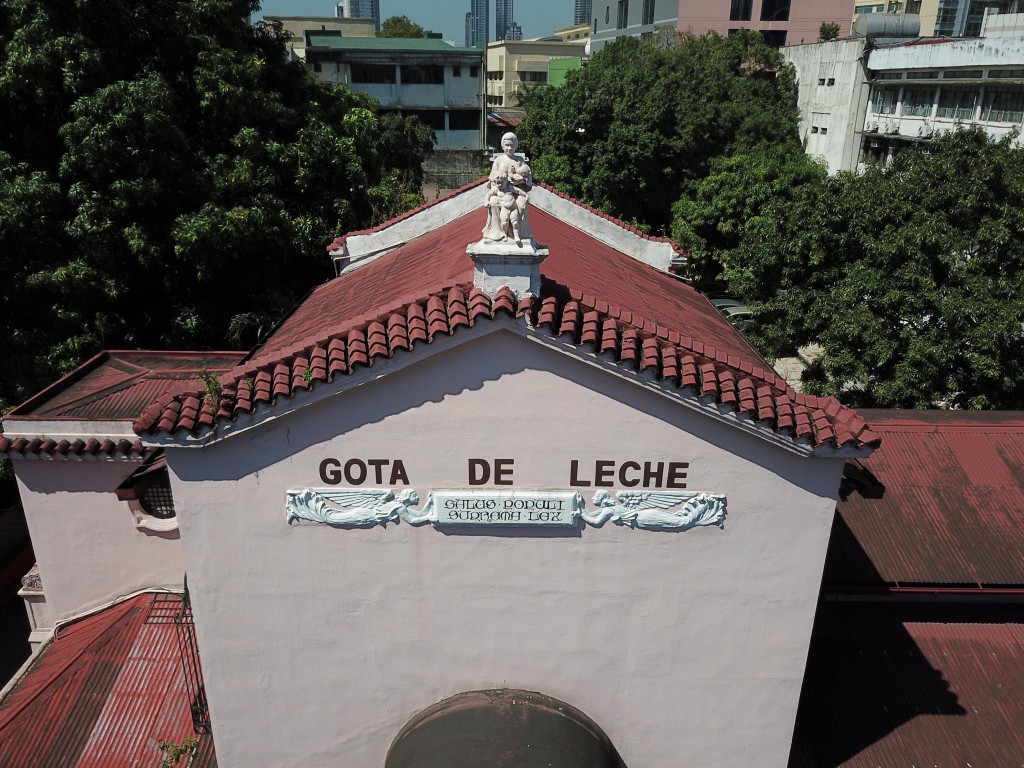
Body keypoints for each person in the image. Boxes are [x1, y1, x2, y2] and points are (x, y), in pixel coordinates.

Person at [483, 132, 532, 242]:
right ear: (502, 146)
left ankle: (522, 233)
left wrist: (520, 181)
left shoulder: (520, 160)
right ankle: (497, 233)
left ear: (516, 145)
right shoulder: (498, 161)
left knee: (522, 205)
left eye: (512, 145)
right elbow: (492, 181)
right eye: (507, 145)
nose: (509, 148)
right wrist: (499, 187)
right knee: (493, 202)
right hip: (501, 192)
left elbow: (527, 178)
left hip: (515, 191)